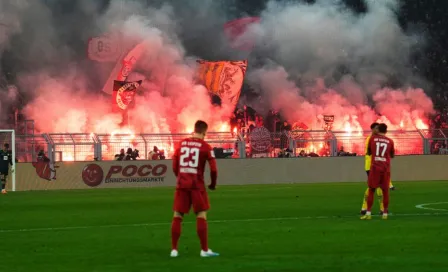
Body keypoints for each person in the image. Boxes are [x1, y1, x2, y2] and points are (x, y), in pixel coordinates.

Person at [170, 120, 219, 258]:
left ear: (194, 129)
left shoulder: (181, 144)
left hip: (182, 184)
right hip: (197, 185)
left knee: (178, 215)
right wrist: (213, 184)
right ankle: (204, 250)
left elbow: (174, 165)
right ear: (204, 132)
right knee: (201, 215)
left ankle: (174, 250)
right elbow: (214, 169)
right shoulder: (205, 146)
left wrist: (180, 177)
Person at [360, 123, 396, 215]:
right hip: (371, 165)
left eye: (378, 128)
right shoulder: (370, 139)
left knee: (375, 188)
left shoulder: (375, 139)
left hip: (376, 165)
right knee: (374, 188)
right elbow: (370, 152)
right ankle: (368, 208)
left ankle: (376, 209)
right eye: (376, 128)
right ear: (373, 129)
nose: (377, 130)